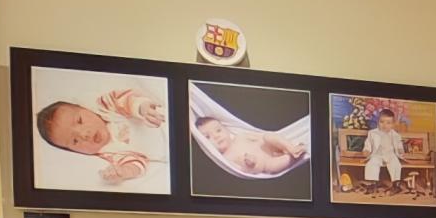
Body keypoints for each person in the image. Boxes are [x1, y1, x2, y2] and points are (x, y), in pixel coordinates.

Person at [35, 85, 166, 185]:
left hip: (165, 119)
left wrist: (141, 107)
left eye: (80, 121)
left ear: (85, 108)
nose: (83, 134)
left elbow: (123, 99)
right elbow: (135, 162)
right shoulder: (109, 152)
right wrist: (124, 171)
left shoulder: (105, 107)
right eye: (75, 141)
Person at [194, 115, 308, 176]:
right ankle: (295, 156)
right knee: (272, 167)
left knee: (269, 136)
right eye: (208, 137)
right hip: (267, 162)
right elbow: (243, 171)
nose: (216, 136)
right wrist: (250, 164)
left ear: (226, 130)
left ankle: (291, 148)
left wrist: (264, 139)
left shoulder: (240, 137)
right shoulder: (227, 159)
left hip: (271, 146)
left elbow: (260, 136)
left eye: (218, 130)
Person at [362, 108, 405, 190]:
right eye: (382, 122)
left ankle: (396, 183)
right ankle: (372, 183)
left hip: (390, 154)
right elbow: (368, 143)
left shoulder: (395, 135)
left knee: (395, 164)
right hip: (377, 154)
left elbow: (399, 144)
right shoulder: (372, 133)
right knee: (372, 163)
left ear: (392, 124)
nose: (384, 125)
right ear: (378, 121)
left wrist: (400, 150)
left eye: (388, 123)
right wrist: (366, 150)